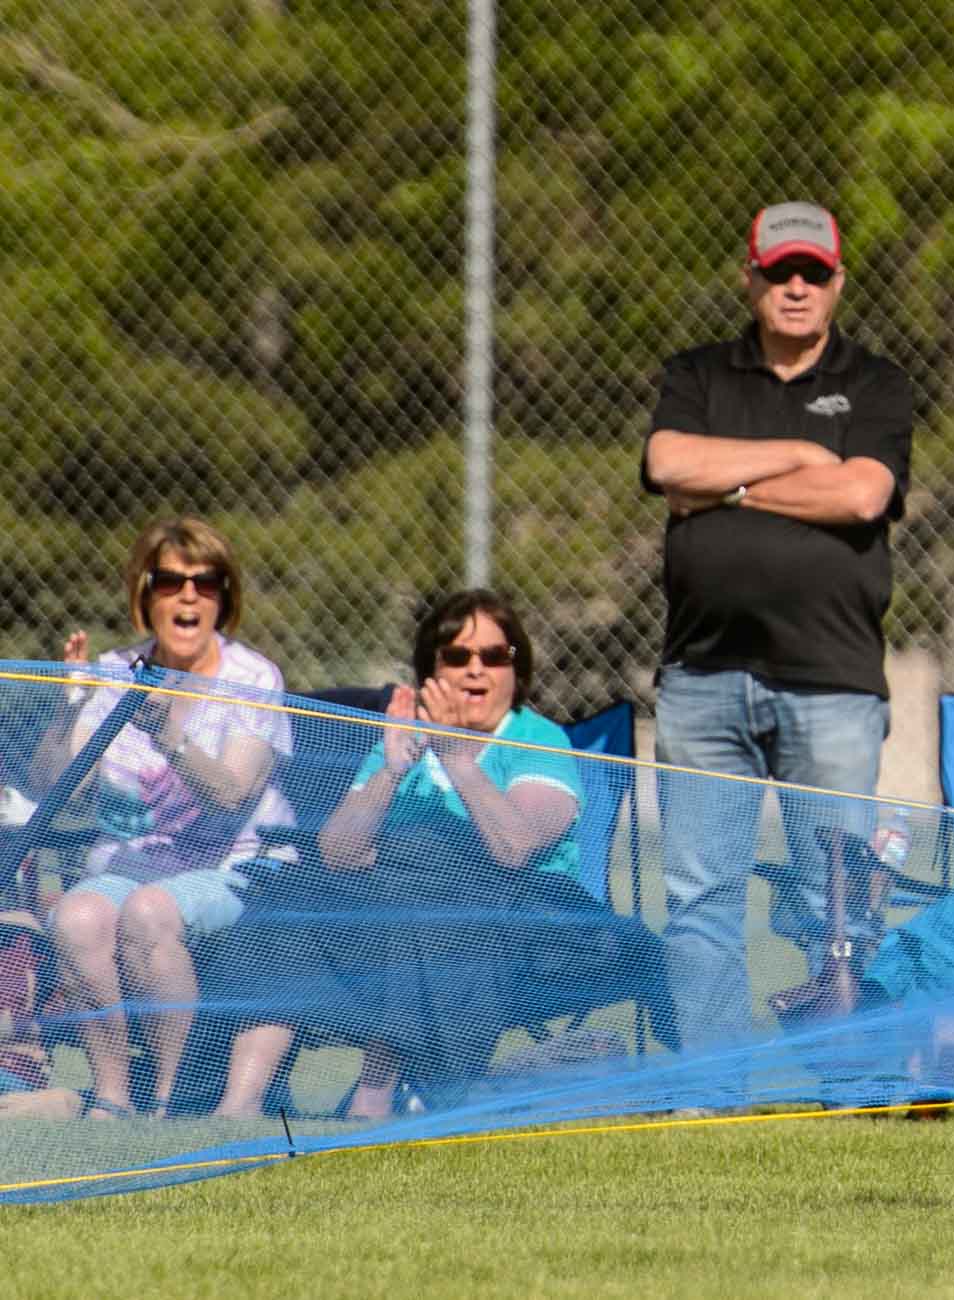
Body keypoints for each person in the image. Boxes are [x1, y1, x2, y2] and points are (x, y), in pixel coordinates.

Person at [641, 201, 914, 1048]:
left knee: (831, 901)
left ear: (837, 282)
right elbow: (664, 464)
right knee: (698, 898)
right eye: (779, 272)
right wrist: (800, 458)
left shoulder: (875, 382)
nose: (795, 288)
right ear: (750, 277)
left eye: (813, 273)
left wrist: (724, 486)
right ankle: (712, 1093)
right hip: (701, 679)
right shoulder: (697, 375)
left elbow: (864, 493)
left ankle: (833, 1086)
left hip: (830, 683)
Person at [208, 590, 596, 1118]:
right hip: (397, 916)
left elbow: (516, 846)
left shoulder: (535, 738)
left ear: (516, 665)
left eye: (493, 656)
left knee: (421, 909)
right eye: (457, 657)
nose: (475, 670)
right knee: (289, 913)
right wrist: (390, 770)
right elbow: (339, 853)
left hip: (523, 920)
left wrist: (457, 758)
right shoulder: (403, 738)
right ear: (431, 671)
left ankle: (375, 1094)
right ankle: (240, 1102)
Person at [32, 518, 294, 1119]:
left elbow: (232, 795)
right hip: (135, 860)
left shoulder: (252, 679)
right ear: (143, 593)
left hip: (238, 862)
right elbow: (57, 788)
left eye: (206, 583)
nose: (188, 596)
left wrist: (167, 731)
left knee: (150, 910)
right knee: (77, 915)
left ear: (224, 598)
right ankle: (113, 1094)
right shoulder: (117, 672)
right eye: (170, 581)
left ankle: (174, 1096)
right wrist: (70, 703)